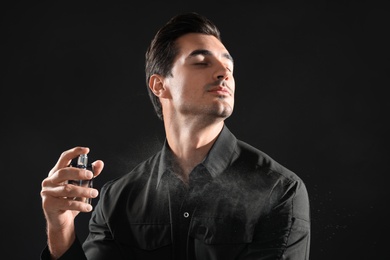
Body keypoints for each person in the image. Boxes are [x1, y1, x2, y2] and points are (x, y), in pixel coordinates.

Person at [40, 12, 310, 260]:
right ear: (160, 85)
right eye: (202, 62)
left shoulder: (278, 190)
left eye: (229, 65)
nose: (224, 73)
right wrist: (60, 228)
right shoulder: (118, 200)